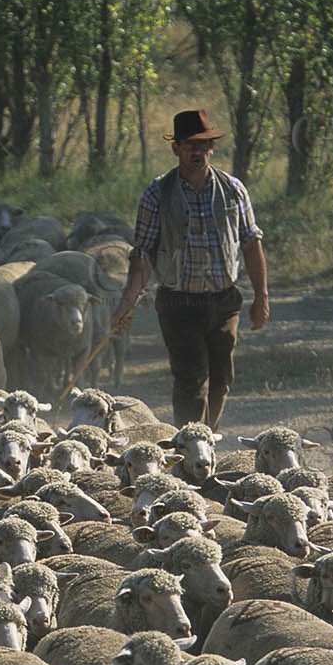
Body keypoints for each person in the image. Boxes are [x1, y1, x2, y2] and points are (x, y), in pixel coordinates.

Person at [110, 108, 269, 428]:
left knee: (222, 379)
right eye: (190, 145)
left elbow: (251, 244)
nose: (198, 152)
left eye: (204, 144)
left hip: (224, 301)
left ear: (212, 148)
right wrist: (128, 301)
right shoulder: (158, 194)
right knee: (191, 380)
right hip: (178, 302)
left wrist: (261, 296)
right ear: (176, 148)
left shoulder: (233, 190)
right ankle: (189, 448)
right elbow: (143, 253)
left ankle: (204, 441)